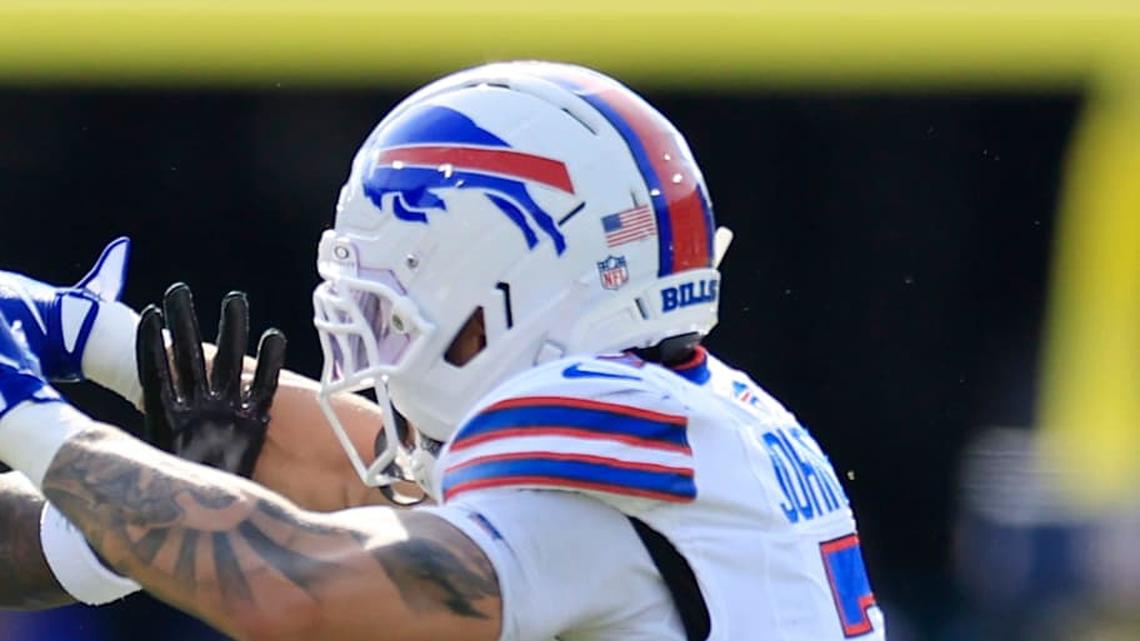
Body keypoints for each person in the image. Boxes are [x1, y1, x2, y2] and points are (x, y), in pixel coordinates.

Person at [0, 61, 885, 640]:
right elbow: (358, 478)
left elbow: (298, 588)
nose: (372, 340)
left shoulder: (595, 454)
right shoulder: (700, 419)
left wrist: (28, 412)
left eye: (396, 298)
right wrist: (97, 340)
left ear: (506, 292)